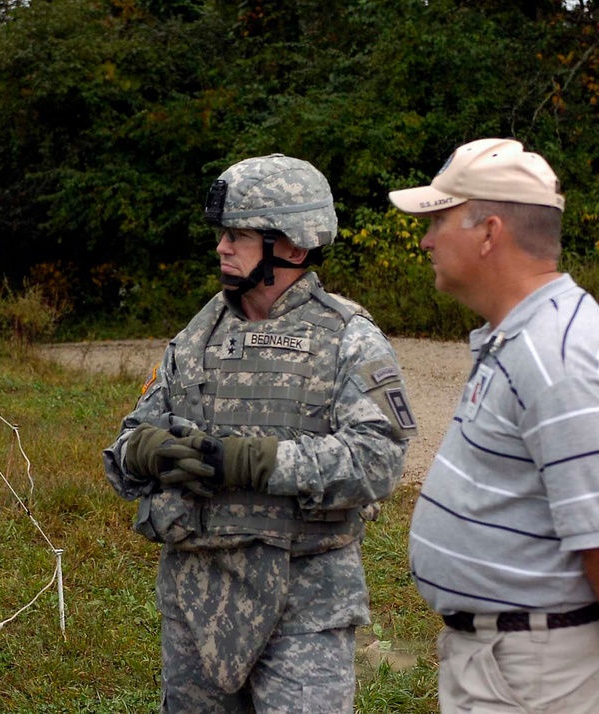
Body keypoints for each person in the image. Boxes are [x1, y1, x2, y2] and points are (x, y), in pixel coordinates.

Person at [103, 154, 416, 713]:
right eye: (223, 234)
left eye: (239, 235)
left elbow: (377, 461)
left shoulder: (349, 338)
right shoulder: (197, 336)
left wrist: (252, 462)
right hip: (196, 602)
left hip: (306, 604)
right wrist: (148, 450)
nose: (222, 247)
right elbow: (125, 446)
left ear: (292, 248)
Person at [390, 138, 599, 713]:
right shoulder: (523, 335)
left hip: (537, 674)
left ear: (489, 232)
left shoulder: (557, 356)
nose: (426, 239)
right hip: (510, 661)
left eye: (439, 219)